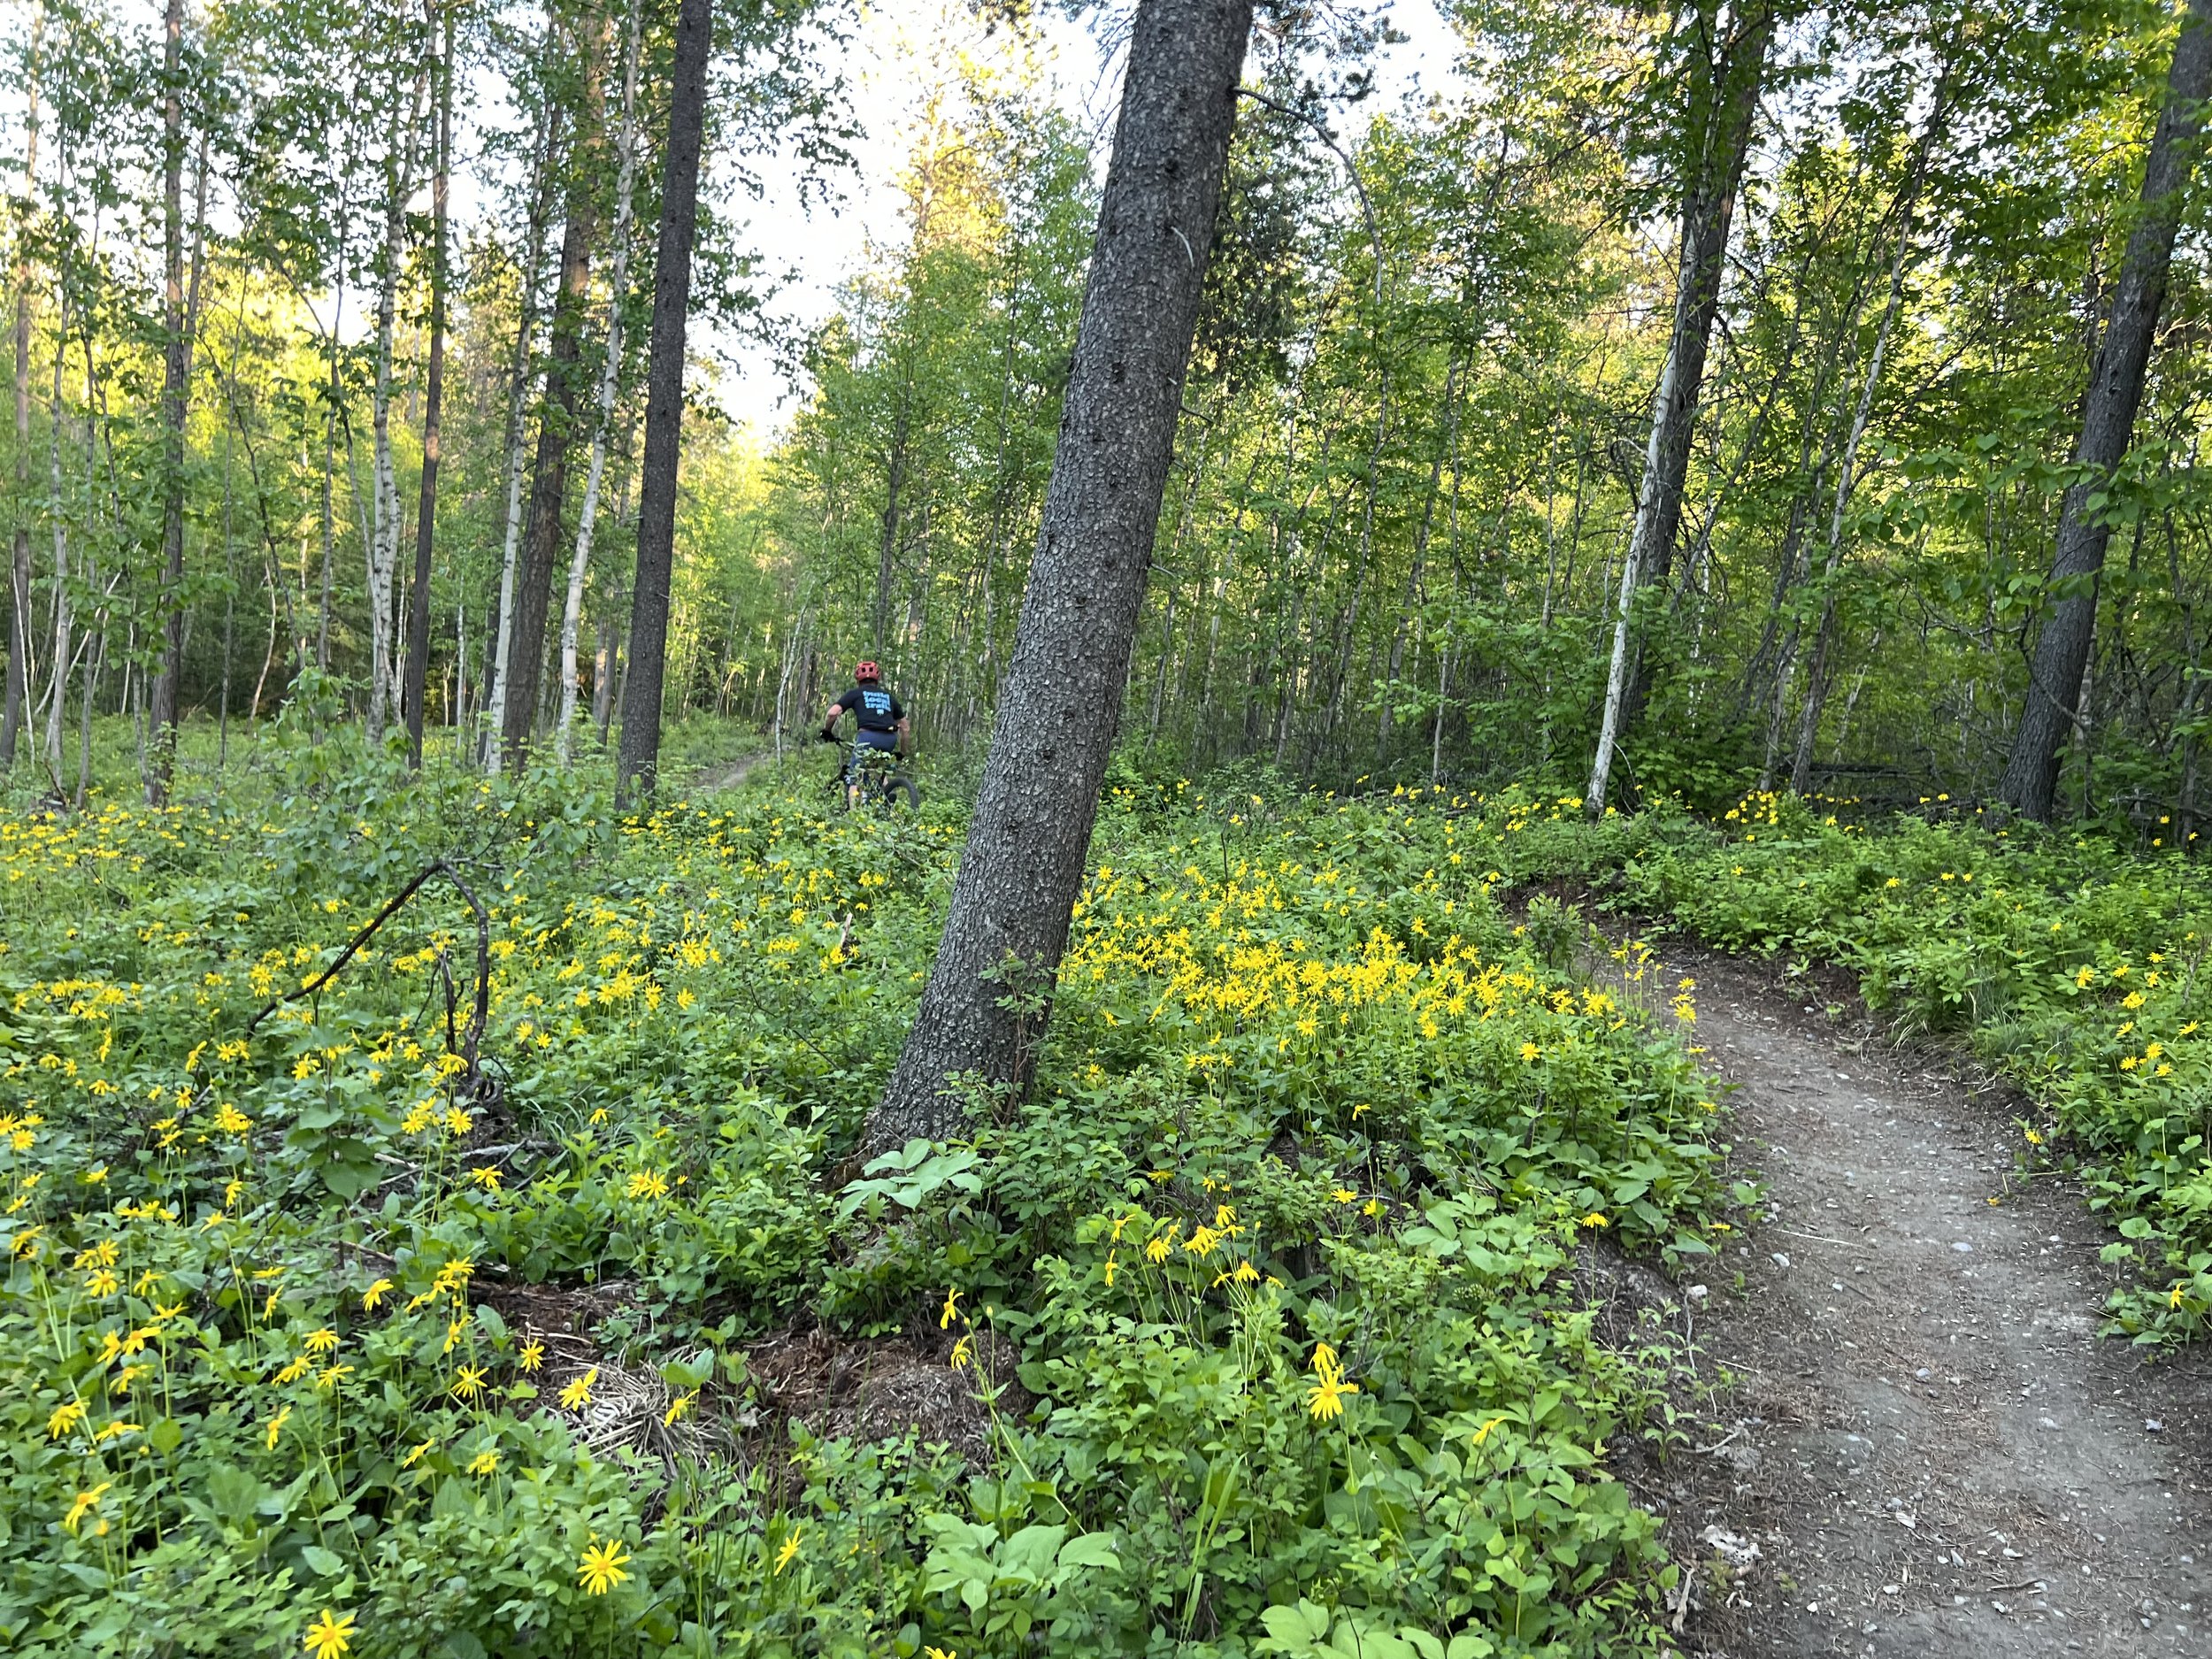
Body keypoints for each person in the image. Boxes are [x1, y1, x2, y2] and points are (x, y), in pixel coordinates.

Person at [820, 660, 910, 804]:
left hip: (868, 737)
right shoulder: (888, 697)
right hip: (889, 739)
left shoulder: (856, 693)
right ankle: (888, 794)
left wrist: (827, 731)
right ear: (877, 679)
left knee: (854, 775)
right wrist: (903, 752)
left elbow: (832, 713)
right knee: (879, 767)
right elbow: (905, 727)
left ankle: (855, 818)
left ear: (858, 679)